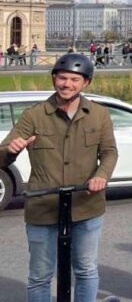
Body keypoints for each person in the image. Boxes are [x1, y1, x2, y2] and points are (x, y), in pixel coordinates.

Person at [0, 53, 118, 301]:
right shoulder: (34, 115)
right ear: (54, 79)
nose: (67, 84)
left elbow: (109, 153)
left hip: (86, 203)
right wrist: (10, 150)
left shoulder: (99, 114)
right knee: (40, 274)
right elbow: (3, 153)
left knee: (85, 269)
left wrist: (101, 176)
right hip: (43, 205)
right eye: (62, 78)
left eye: (75, 79)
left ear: (85, 83)